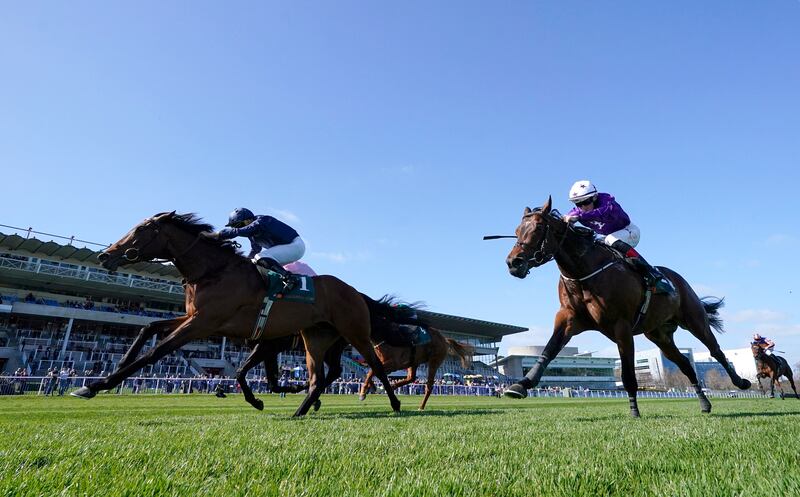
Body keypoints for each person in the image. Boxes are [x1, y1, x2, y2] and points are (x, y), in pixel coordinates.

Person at [563, 180, 674, 294]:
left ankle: (652, 273)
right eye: (578, 203)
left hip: (629, 231)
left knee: (610, 239)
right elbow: (565, 220)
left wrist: (580, 216)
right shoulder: (578, 212)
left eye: (585, 202)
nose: (582, 207)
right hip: (609, 237)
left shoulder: (608, 203)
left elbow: (602, 212)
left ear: (594, 198)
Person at [207, 208, 305, 292]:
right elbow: (255, 250)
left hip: (295, 245)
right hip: (288, 248)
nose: (236, 228)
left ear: (247, 221)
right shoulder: (252, 235)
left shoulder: (262, 220)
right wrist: (244, 261)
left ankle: (289, 278)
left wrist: (215, 235)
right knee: (254, 262)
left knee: (260, 257)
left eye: (237, 225)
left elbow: (240, 231)